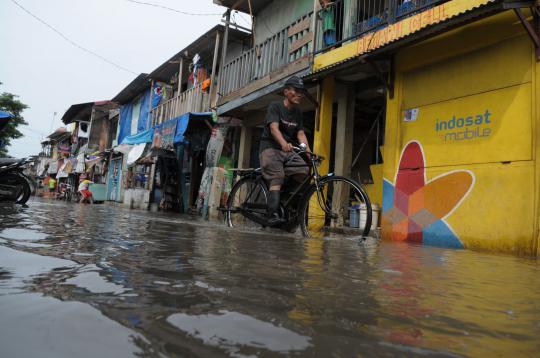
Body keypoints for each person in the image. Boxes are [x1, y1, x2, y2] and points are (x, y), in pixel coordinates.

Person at [259, 76, 312, 226]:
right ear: (286, 91)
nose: (300, 94)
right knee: (277, 175)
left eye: (302, 92)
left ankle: (280, 199)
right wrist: (283, 143)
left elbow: (300, 134)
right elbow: (273, 128)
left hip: (287, 150)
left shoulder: (298, 112)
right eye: (296, 91)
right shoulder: (275, 106)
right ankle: (272, 214)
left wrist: (309, 154)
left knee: (303, 170)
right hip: (270, 148)